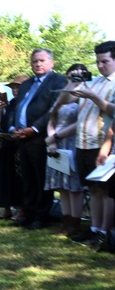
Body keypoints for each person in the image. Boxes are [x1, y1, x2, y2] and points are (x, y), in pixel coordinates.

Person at [7, 49, 68, 229]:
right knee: (27, 178)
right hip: (22, 138)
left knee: (41, 179)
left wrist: (33, 129)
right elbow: (16, 107)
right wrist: (12, 127)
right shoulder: (26, 84)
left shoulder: (58, 81)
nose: (38, 64)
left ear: (52, 62)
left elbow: (53, 109)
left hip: (41, 138)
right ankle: (29, 212)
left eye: (42, 60)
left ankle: (42, 216)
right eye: (35, 61)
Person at [68, 41, 115, 251]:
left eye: (105, 61)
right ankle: (94, 229)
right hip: (83, 142)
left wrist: (94, 97)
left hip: (103, 143)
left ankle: (105, 232)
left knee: (107, 192)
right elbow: (67, 100)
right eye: (97, 61)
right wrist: (73, 82)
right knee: (93, 190)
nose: (100, 65)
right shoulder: (94, 81)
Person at [44, 64, 90, 237]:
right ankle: (65, 220)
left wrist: (56, 137)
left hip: (73, 142)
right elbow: (52, 117)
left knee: (74, 186)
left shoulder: (86, 95)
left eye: (80, 75)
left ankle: (75, 223)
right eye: (72, 76)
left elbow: (80, 123)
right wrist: (52, 140)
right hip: (56, 143)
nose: (76, 78)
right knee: (61, 186)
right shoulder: (63, 94)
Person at [0, 74, 29, 220]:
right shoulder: (10, 104)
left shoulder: (27, 104)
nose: (15, 90)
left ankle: (21, 209)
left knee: (18, 178)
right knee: (3, 176)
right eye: (14, 88)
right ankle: (6, 208)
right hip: (5, 144)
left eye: (18, 87)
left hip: (19, 144)